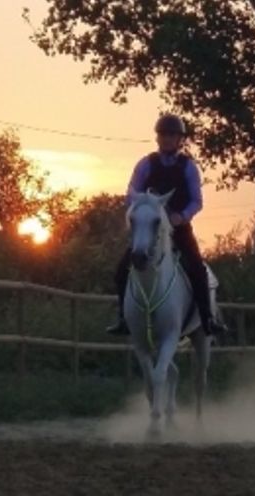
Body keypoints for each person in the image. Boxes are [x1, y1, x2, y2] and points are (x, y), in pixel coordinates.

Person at [106, 113, 226, 336]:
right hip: (148, 229)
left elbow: (196, 201)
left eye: (172, 135)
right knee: (121, 270)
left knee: (197, 269)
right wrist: (140, 210)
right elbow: (131, 194)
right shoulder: (145, 164)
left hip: (178, 228)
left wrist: (181, 216)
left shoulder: (188, 167)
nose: (167, 139)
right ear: (157, 138)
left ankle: (208, 319)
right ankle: (123, 318)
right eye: (163, 135)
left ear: (179, 139)